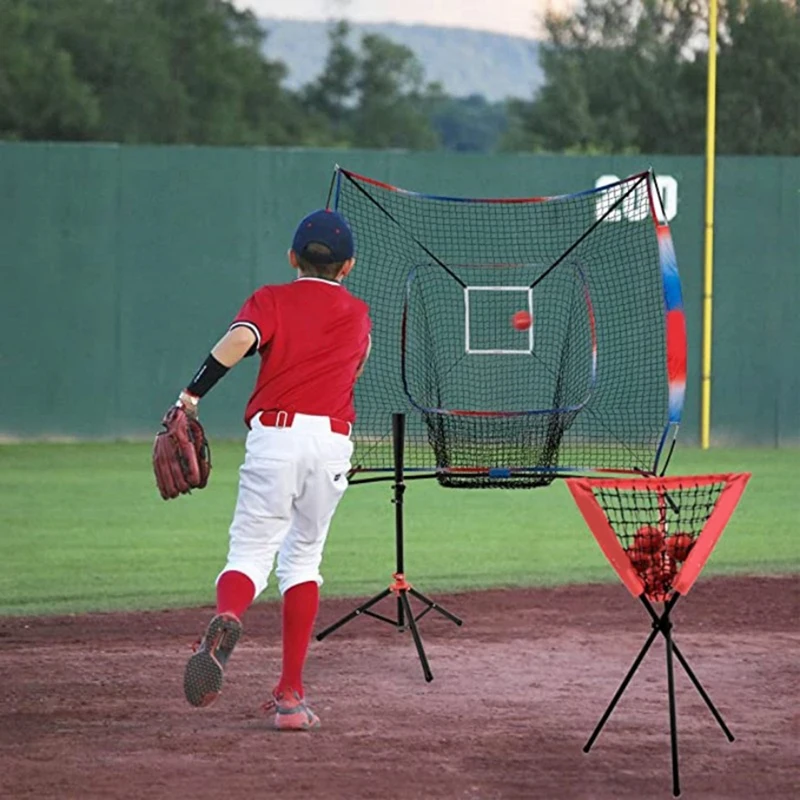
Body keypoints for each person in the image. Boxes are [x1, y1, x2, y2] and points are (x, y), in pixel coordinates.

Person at [175, 209, 371, 731]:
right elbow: (357, 364)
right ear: (347, 266)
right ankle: (289, 698)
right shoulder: (357, 313)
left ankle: (230, 617)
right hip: (331, 442)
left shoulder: (272, 299)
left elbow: (240, 341)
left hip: (277, 438)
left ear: (292, 258)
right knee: (303, 561)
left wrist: (191, 395)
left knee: (250, 551)